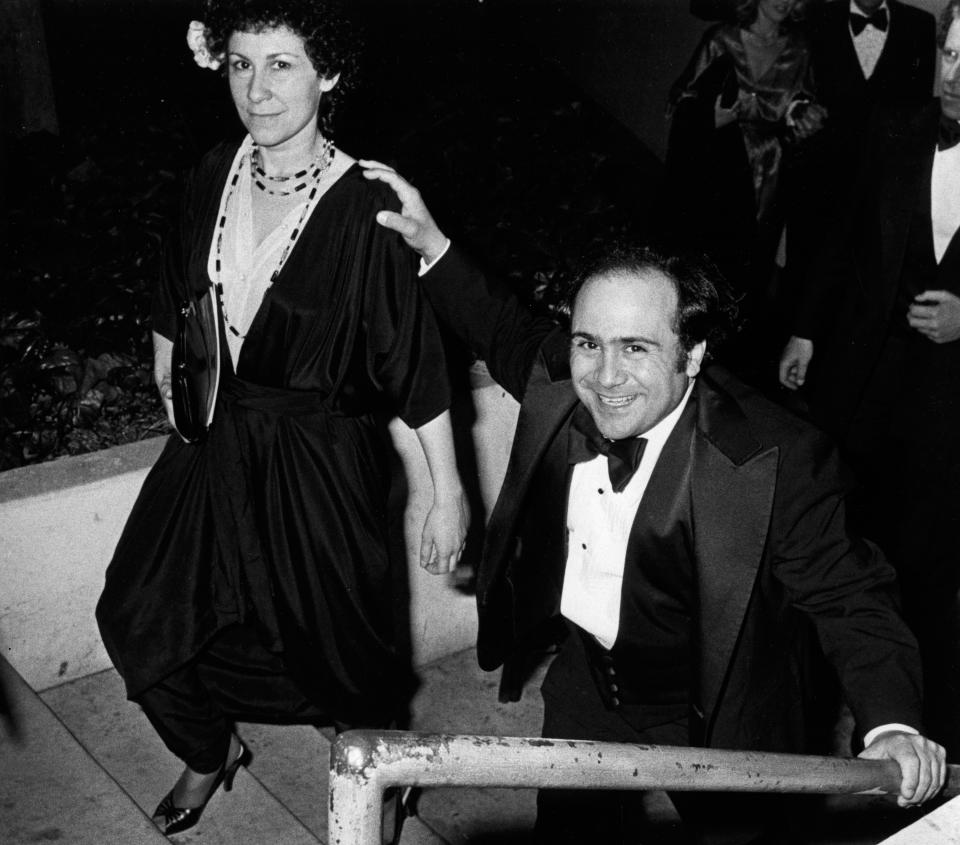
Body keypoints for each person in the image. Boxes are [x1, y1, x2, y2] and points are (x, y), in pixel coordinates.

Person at [359, 162, 946, 843]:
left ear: (693, 353)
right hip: (588, 685)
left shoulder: (776, 458)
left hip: (718, 712)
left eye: (635, 348)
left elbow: (850, 598)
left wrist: (894, 725)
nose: (605, 378)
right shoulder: (561, 380)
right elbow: (502, 325)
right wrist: (433, 243)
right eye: (589, 344)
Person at [95, 1, 468, 837]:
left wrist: (448, 494)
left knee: (340, 659)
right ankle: (207, 747)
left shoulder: (367, 206)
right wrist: (171, 362)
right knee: (135, 612)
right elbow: (173, 284)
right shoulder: (211, 172)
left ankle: (380, 776)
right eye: (240, 64)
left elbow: (411, 369)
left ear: (328, 72)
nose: (257, 90)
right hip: (214, 442)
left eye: (282, 64)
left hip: (318, 462)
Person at [779, 0, 960, 763]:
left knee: (929, 570)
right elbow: (846, 237)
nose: (954, 74)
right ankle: (825, 718)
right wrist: (806, 329)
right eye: (952, 53)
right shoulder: (896, 128)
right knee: (842, 550)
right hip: (865, 381)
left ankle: (920, 735)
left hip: (949, 407)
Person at [665, 0, 826, 321]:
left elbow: (803, 111)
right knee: (697, 262)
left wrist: (808, 122)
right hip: (714, 168)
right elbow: (681, 101)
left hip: (766, 175)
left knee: (742, 272)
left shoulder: (800, 49)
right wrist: (711, 118)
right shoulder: (721, 39)